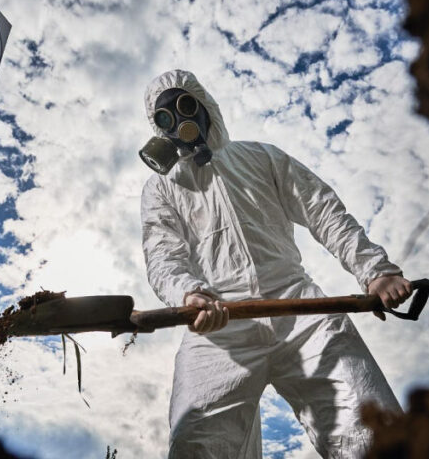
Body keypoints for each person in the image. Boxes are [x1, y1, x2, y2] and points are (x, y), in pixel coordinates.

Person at [138, 70, 411, 458]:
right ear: (159, 129)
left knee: (373, 428)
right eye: (166, 117)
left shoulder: (260, 157)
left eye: (186, 106)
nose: (181, 120)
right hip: (219, 325)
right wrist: (190, 294)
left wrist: (376, 271)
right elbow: (163, 254)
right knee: (196, 442)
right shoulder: (162, 188)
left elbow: (321, 209)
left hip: (301, 310)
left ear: (205, 106)